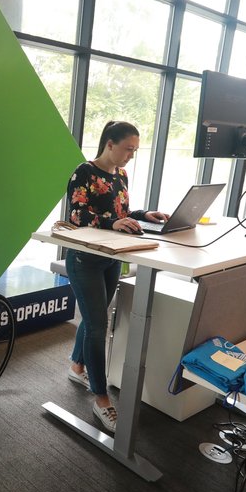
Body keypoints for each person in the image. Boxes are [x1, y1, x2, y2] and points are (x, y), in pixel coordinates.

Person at [64, 120, 168, 433]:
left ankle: (76, 365)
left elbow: (119, 215)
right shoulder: (84, 171)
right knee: (99, 324)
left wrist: (142, 215)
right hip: (85, 259)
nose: (130, 156)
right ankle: (101, 399)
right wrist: (113, 224)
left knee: (96, 319)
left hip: (112, 258)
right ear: (110, 143)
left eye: (135, 151)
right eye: (127, 149)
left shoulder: (120, 175)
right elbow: (77, 215)